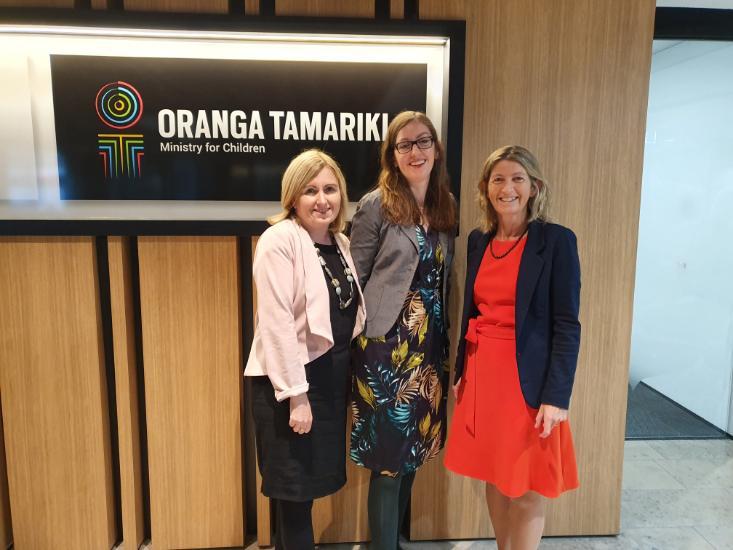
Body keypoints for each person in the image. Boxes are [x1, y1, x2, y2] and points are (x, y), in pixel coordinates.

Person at [444, 145, 581, 550]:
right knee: (495, 475)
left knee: (526, 485)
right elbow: (469, 312)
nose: (508, 188)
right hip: (482, 373)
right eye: (498, 179)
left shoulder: (556, 241)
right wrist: (460, 374)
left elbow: (567, 325)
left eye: (517, 179)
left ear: (534, 187)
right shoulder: (478, 240)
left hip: (529, 382)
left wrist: (557, 396)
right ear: (486, 189)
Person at [244, 149, 366, 550]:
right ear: (293, 197)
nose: (322, 199)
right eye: (311, 190)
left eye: (330, 189)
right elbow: (275, 322)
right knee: (294, 495)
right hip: (289, 384)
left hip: (328, 382)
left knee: (306, 491)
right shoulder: (279, 240)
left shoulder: (340, 243)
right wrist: (297, 395)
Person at [349, 111, 457, 549]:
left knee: (414, 454)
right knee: (389, 459)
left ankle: (392, 539)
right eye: (404, 144)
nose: (416, 151)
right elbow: (354, 276)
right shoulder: (376, 204)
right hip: (387, 349)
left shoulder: (444, 204)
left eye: (423, 142)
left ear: (436, 148)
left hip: (430, 346)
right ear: (392, 155)